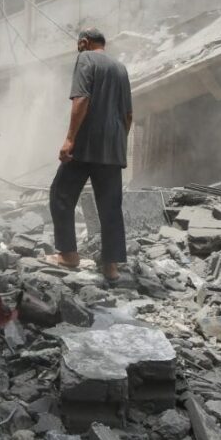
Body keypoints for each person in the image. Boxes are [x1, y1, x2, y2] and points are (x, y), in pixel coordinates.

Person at [45, 28, 133, 282]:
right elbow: (128, 115)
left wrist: (70, 138)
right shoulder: (120, 68)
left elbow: (81, 99)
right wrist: (117, 142)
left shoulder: (85, 59)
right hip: (112, 149)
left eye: (78, 44)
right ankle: (111, 267)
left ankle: (68, 255)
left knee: (61, 194)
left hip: (86, 144)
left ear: (84, 42)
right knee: (110, 206)